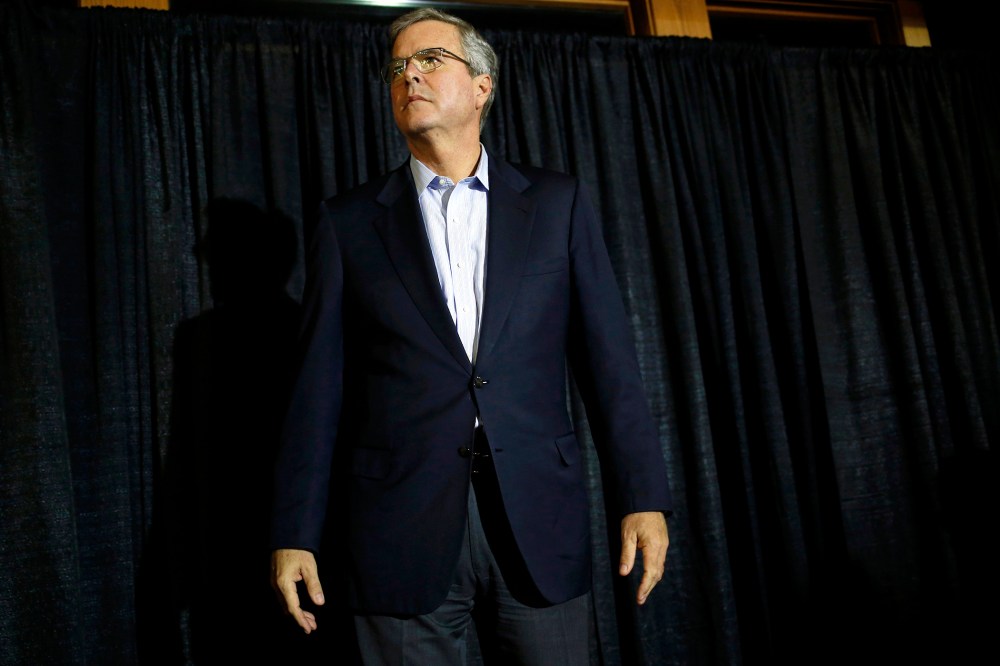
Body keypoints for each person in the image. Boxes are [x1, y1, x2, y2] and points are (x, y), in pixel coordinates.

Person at [270, 7, 672, 664]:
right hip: (399, 525)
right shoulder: (348, 224)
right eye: (398, 67)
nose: (410, 76)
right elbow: (317, 391)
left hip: (538, 515)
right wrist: (293, 531)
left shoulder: (555, 202)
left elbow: (611, 364)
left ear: (482, 85)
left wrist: (644, 497)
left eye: (429, 60)